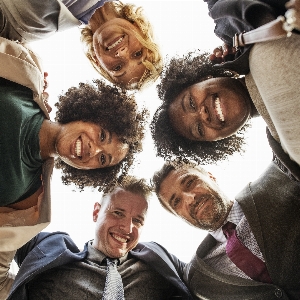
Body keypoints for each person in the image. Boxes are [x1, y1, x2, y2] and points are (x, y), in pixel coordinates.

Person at [0, 37, 147, 297]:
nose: (95, 150)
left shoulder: (29, 204)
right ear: (90, 113)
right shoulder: (26, 76)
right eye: (102, 135)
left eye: (103, 160)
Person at [151, 0, 300, 165]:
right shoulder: (286, 154)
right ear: (215, 141)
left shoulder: (241, 35)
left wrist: (236, 40)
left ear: (203, 78)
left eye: (191, 103)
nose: (203, 114)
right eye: (199, 129)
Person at [6, 177, 193, 300]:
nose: (127, 228)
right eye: (118, 213)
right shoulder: (48, 249)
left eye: (137, 220)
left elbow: (205, 276)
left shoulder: (157, 260)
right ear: (96, 212)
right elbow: (9, 212)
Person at [152, 159, 300, 299]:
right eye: (177, 201)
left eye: (190, 182)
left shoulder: (278, 182)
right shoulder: (197, 279)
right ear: (178, 216)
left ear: (211, 176)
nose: (190, 199)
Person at [0, 0, 162, 89]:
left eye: (118, 68)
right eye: (137, 54)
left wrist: (27, 77)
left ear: (98, 62)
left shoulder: (25, 28)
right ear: (141, 29)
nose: (122, 54)